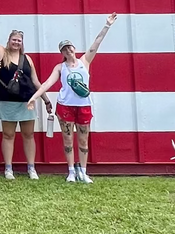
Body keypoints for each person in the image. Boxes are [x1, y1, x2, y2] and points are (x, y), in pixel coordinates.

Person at [28, 13, 119, 184]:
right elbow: (47, 83)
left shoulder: (85, 61)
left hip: (84, 106)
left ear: (74, 48)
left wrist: (107, 25)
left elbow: (96, 44)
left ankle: (83, 171)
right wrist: (34, 98)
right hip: (65, 107)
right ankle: (71, 170)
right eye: (65, 49)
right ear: (61, 52)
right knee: (68, 139)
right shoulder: (60, 67)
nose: (69, 50)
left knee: (83, 139)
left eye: (70, 47)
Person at [0, 3, 52, 180]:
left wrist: (46, 100)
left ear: (22, 43)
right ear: (9, 41)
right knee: (8, 135)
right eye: (14, 39)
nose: (16, 42)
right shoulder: (1, 53)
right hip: (7, 102)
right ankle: (8, 168)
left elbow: (36, 82)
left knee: (28, 135)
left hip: (27, 103)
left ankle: (31, 168)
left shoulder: (27, 59)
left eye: (19, 40)